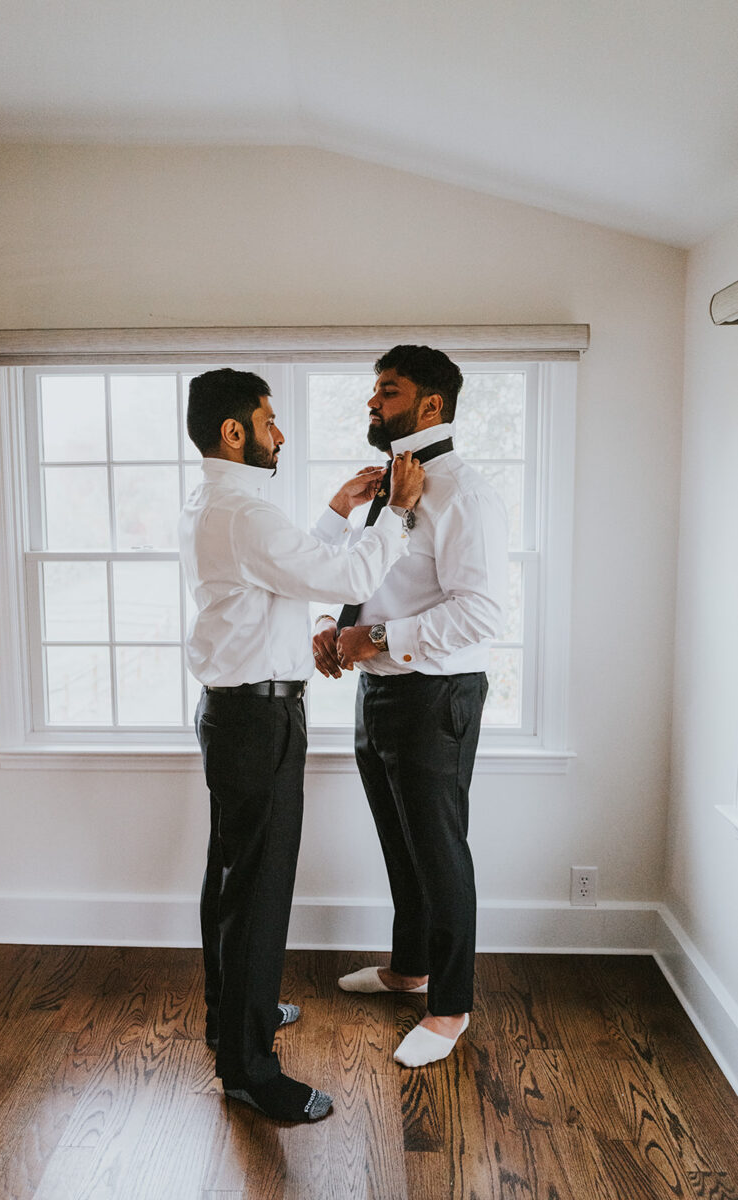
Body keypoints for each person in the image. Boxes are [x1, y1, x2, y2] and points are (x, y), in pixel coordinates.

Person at [179, 367, 424, 1122]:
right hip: (258, 723)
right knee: (258, 892)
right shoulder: (244, 513)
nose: (278, 434)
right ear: (233, 432)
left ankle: (233, 1019)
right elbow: (342, 576)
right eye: (267, 420)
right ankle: (250, 1071)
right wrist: (393, 513)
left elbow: (288, 574)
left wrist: (335, 509)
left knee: (232, 880)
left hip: (233, 716)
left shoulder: (219, 504)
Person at [312, 345, 508, 1068]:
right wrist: (335, 629)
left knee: (439, 851)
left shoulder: (464, 495)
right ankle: (409, 969)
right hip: (379, 690)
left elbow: (480, 613)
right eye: (374, 391)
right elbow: (370, 579)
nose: (371, 402)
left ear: (430, 405)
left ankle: (450, 1007)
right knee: (400, 842)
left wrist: (375, 638)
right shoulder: (388, 488)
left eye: (387, 391)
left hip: (435, 696)